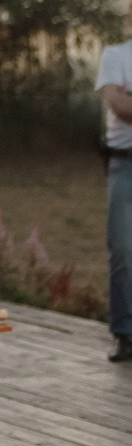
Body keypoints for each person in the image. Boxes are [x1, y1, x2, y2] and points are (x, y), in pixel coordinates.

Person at [99, 32, 132, 363]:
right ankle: (125, 333)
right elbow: (120, 106)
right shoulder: (116, 56)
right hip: (125, 164)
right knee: (122, 251)